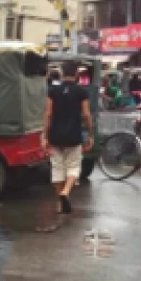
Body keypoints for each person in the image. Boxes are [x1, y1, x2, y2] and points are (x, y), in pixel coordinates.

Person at [42, 60, 93, 214]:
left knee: (57, 169)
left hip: (55, 136)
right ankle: (66, 192)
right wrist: (90, 133)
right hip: (73, 135)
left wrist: (45, 136)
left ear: (62, 73)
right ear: (76, 74)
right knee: (73, 167)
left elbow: (48, 114)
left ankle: (59, 204)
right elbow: (86, 114)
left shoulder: (53, 91)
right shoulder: (81, 92)